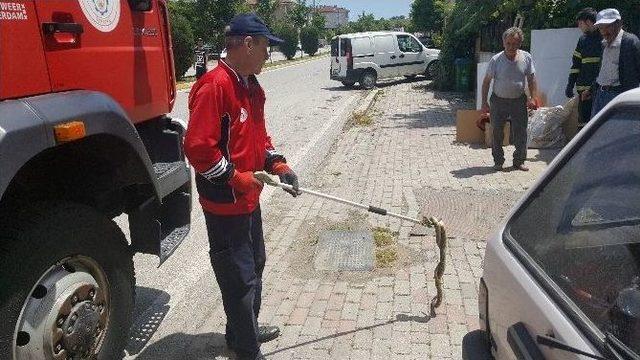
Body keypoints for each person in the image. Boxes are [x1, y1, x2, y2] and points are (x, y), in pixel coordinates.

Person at [184, 14, 301, 360]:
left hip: (249, 201)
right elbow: (199, 150)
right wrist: (237, 178)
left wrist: (278, 165)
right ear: (248, 44)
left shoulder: (252, 87)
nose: (269, 54)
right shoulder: (215, 86)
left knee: (256, 264)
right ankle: (247, 351)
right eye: (266, 47)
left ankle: (242, 330)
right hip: (225, 205)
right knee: (240, 280)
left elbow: (258, 139)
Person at [481, 27, 538, 172]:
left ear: (520, 44)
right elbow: (486, 81)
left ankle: (519, 161)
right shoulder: (496, 60)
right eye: (508, 43)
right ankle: (498, 161)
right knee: (497, 132)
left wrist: (533, 98)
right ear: (503, 43)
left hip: (519, 100)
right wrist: (484, 103)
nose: (511, 47)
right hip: (498, 101)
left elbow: (531, 79)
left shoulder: (526, 57)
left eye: (515, 43)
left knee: (521, 131)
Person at [591, 8, 640, 118]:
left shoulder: (630, 42)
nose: (604, 31)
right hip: (600, 95)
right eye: (600, 28)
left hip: (619, 97)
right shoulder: (604, 44)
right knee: (598, 133)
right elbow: (603, 70)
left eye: (607, 26)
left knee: (617, 133)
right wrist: (591, 89)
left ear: (619, 24)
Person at [565, 8, 602, 126]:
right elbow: (576, 64)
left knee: (598, 123)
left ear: (588, 22)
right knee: (584, 125)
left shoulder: (604, 39)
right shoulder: (582, 40)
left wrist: (592, 88)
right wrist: (570, 84)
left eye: (580, 23)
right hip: (583, 92)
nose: (579, 27)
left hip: (599, 90)